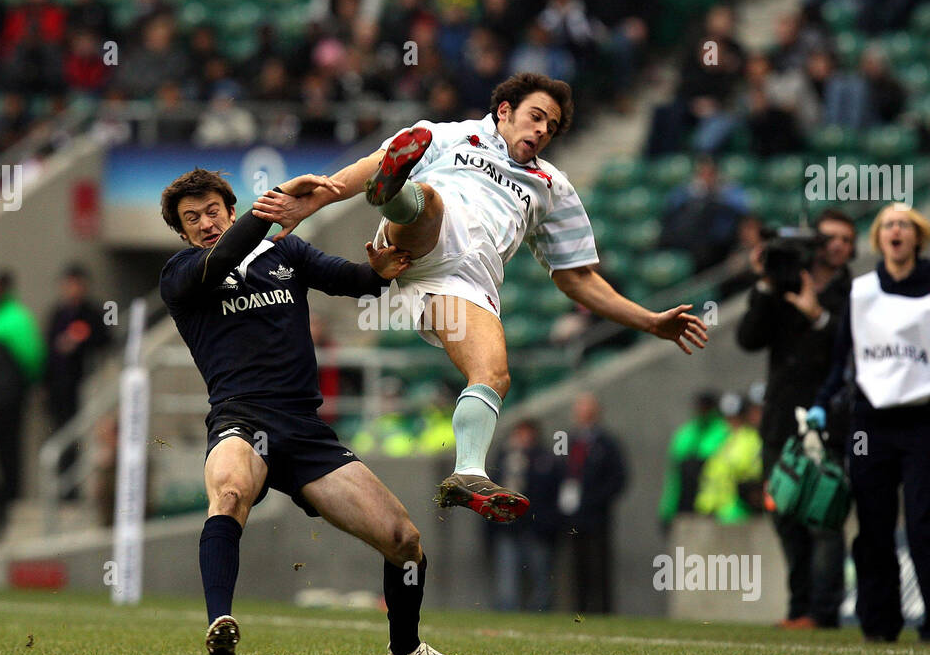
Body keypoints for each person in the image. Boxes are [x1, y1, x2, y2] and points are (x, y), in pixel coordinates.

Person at [251, 72, 707, 525]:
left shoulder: (552, 188)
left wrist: (649, 321)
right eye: (536, 117)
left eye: (551, 126)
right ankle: (394, 193)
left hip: (466, 285)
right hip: (416, 245)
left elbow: (578, 278)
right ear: (504, 112)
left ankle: (468, 473)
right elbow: (370, 162)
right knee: (430, 202)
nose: (542, 130)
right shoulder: (448, 136)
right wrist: (317, 200)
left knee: (494, 373)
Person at [158, 168, 461, 655]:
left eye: (213, 211)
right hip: (240, 419)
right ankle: (220, 629)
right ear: (183, 233)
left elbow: (352, 281)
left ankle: (406, 648)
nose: (205, 223)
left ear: (229, 210)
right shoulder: (182, 274)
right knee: (230, 495)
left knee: (404, 540)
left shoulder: (286, 253)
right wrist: (271, 205)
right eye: (192, 219)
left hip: (304, 431)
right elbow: (224, 258)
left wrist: (380, 271)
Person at [808, 204, 930, 643]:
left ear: (917, 237)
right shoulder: (861, 294)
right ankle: (879, 623)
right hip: (868, 425)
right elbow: (842, 362)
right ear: (879, 239)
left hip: (926, 424)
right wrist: (822, 404)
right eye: (888, 225)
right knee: (873, 527)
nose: (896, 231)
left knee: (923, 525)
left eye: (904, 226)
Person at [737, 208, 855, 629]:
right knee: (784, 514)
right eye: (829, 238)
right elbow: (748, 338)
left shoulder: (854, 294)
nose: (837, 245)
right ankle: (799, 608)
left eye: (846, 238)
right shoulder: (784, 283)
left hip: (828, 419)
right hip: (781, 419)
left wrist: (817, 316)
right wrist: (766, 283)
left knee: (823, 516)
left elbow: (853, 350)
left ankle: (823, 614)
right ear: (813, 245)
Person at [0, 270, 46, 536]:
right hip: (2, 396)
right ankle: (5, 502)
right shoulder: (6, 318)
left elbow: (32, 358)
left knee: (7, 452)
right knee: (3, 452)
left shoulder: (10, 319)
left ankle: (10, 502)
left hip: (7, 396)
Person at [45, 265, 111, 499]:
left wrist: (80, 342)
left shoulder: (92, 313)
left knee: (81, 437)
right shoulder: (57, 314)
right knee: (61, 436)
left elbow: (105, 340)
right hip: (59, 387)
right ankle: (64, 491)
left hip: (82, 384)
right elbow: (49, 348)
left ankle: (78, 491)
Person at [483, 418, 562, 612]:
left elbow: (548, 491)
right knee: (507, 581)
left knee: (540, 577)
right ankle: (507, 614)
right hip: (508, 528)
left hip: (535, 528)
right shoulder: (505, 459)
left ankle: (540, 613)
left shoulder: (545, 459)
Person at [559, 393, 627, 614]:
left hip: (597, 516)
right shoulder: (568, 440)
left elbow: (618, 479)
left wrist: (593, 499)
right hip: (573, 517)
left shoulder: (607, 443)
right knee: (576, 566)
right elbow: (559, 470)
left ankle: (602, 611)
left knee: (599, 566)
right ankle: (579, 610)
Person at [658, 391, 730, 527]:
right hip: (683, 508)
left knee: (705, 548)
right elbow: (674, 478)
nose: (701, 411)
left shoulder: (724, 432)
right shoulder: (685, 434)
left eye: (705, 407)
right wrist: (667, 509)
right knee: (681, 548)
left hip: (711, 512)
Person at [694, 390, 764, 526]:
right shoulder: (720, 439)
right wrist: (705, 506)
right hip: (714, 512)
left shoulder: (752, 440)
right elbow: (711, 475)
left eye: (736, 417)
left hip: (739, 513)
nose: (732, 422)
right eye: (727, 418)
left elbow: (751, 474)